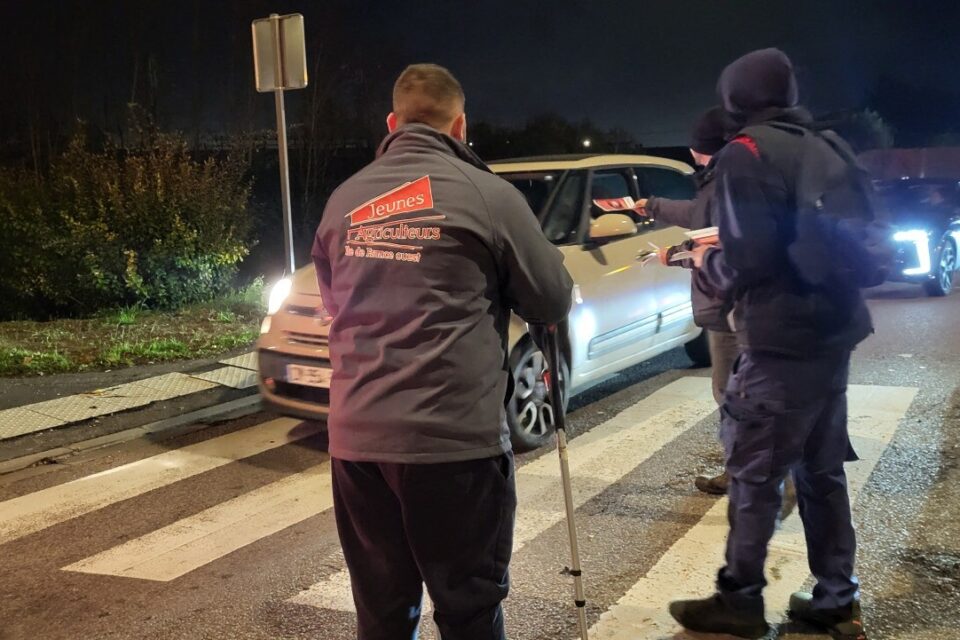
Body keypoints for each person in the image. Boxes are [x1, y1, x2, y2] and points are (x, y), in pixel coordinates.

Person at [311, 64, 573, 640]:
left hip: (359, 446)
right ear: (460, 126)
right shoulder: (489, 196)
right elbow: (552, 298)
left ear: (392, 123)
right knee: (468, 611)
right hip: (453, 447)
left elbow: (335, 302)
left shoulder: (344, 200)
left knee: (381, 612)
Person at [668, 49, 872, 640]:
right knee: (821, 471)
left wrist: (702, 261)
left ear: (735, 100)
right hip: (834, 336)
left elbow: (747, 259)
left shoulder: (746, 153)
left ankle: (740, 600)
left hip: (781, 342)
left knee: (754, 473)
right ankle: (838, 598)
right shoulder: (828, 145)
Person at [639, 105, 737, 496]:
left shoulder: (721, 184)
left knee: (730, 391)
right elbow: (700, 219)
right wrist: (650, 206)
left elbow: (708, 238)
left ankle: (745, 474)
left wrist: (672, 255)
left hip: (727, 302)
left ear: (701, 148)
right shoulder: (731, 178)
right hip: (738, 301)